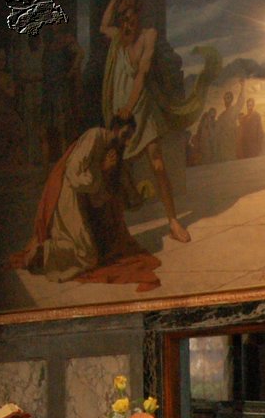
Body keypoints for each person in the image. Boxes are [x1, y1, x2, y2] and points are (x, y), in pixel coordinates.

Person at [100, 0, 199, 243]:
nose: (126, 21)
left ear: (138, 15)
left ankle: (173, 221)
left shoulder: (148, 36)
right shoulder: (118, 38)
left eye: (130, 15)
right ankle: (114, 231)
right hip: (119, 111)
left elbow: (142, 74)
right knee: (114, 169)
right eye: (123, 17)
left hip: (140, 110)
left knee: (157, 165)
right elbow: (102, 25)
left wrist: (129, 109)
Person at [12, 116, 161, 292]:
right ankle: (43, 251)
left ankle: (47, 247)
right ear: (115, 128)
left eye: (130, 138)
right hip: (67, 198)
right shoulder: (95, 136)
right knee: (87, 256)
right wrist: (102, 169)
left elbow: (97, 197)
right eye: (125, 135)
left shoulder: (109, 149)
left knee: (91, 253)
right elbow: (74, 176)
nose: (127, 143)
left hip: (80, 201)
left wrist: (108, 176)